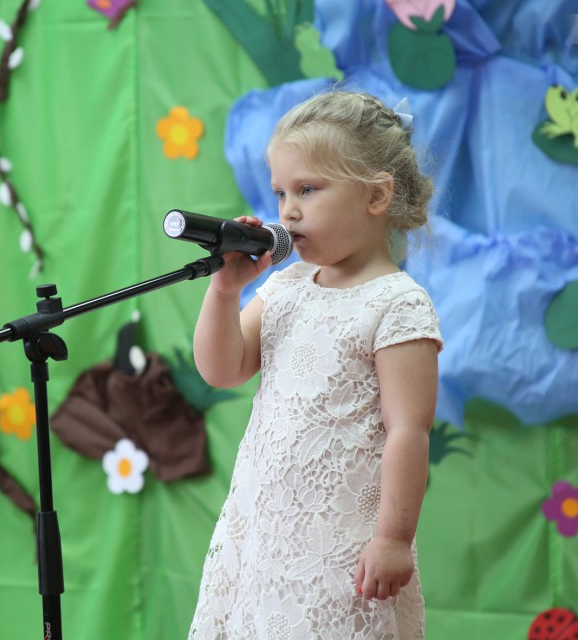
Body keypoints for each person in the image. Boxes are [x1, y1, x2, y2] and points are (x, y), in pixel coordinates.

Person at [188, 89, 442, 639]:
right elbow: (223, 369)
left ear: (376, 195)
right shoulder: (288, 286)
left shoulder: (397, 304)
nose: (288, 211)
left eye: (307, 189)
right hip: (264, 540)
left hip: (340, 554)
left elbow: (409, 430)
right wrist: (224, 290)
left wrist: (393, 539)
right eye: (281, 193)